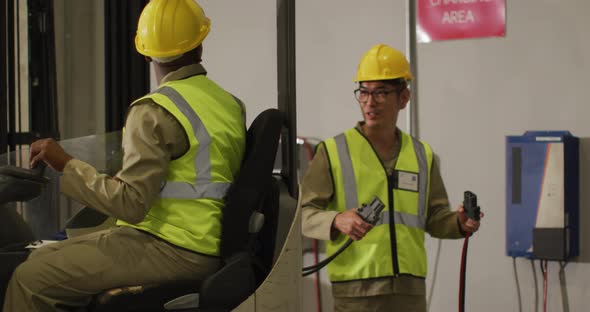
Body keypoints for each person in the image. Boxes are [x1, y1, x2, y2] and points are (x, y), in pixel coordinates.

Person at [3, 0, 246, 310]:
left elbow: (130, 204)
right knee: (44, 256)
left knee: (29, 278)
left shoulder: (153, 110)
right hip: (204, 243)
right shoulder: (229, 104)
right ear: (200, 42)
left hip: (170, 247)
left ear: (145, 51)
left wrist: (66, 164)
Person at [301, 44, 483, 312]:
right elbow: (303, 214)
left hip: (409, 292)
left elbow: (434, 217)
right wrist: (337, 219)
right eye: (364, 92)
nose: (370, 102)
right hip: (356, 291)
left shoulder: (422, 155)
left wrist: (459, 222)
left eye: (381, 92)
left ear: (404, 97)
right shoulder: (332, 151)